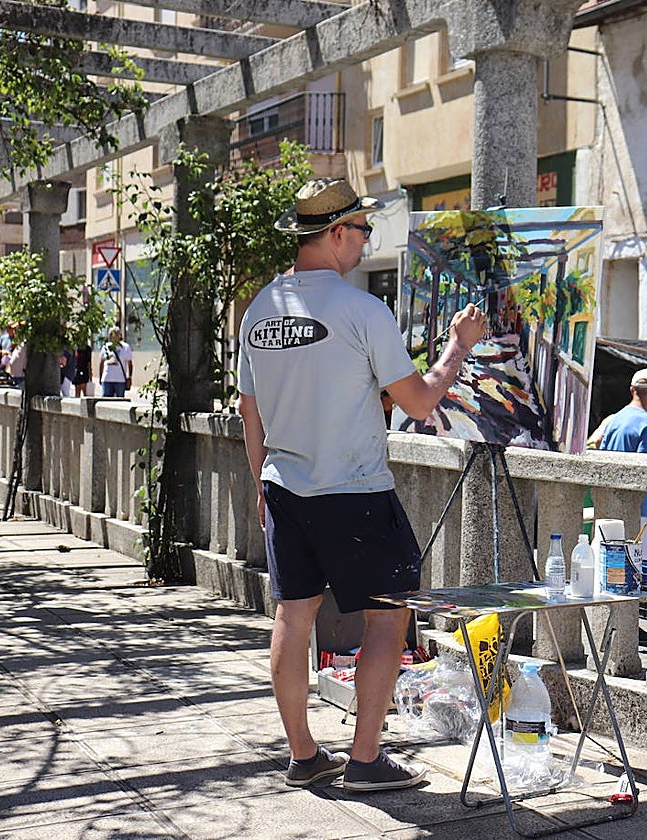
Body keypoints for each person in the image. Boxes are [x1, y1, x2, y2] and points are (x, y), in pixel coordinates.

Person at [236, 177, 485, 791]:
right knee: (386, 619)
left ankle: (302, 754)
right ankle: (366, 760)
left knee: (293, 620)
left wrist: (262, 487)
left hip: (285, 488)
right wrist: (456, 346)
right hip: (355, 490)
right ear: (337, 233)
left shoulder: (261, 309)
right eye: (363, 231)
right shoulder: (362, 310)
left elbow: (250, 410)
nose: (366, 241)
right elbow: (422, 403)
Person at [594, 368, 647, 556]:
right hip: (639, 508)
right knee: (635, 566)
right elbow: (645, 467)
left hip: (610, 502)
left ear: (632, 390)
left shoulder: (614, 420)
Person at [97, 327, 133, 397]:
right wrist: (100, 376)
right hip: (107, 379)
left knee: (120, 401)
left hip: (120, 379)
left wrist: (129, 377)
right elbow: (101, 362)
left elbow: (130, 363)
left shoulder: (125, 347)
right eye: (111, 334)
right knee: (105, 401)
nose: (113, 336)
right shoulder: (106, 347)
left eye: (116, 334)